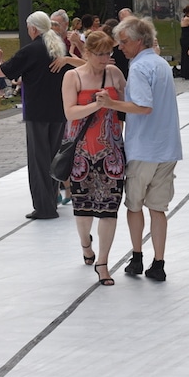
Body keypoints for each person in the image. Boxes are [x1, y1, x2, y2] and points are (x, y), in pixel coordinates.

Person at [98, 16, 182, 281]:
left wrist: (111, 104)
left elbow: (144, 107)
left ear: (137, 41)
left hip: (144, 148)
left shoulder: (138, 68)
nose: (120, 47)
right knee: (158, 208)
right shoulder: (161, 64)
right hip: (167, 147)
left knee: (134, 205)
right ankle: (158, 262)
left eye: (123, 42)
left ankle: (137, 257)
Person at [60, 31, 126, 286]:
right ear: (87, 53)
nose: (105, 58)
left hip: (112, 150)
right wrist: (97, 105)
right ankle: (86, 244)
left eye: (108, 52)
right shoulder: (72, 76)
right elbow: (70, 112)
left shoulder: (115, 74)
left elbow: (126, 103)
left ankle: (103, 263)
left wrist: (114, 104)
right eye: (99, 53)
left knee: (110, 210)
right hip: (81, 153)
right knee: (84, 209)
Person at [0, 11, 70, 219]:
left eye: (28, 28)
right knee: (53, 156)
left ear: (34, 29)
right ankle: (52, 200)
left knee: (38, 159)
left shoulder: (31, 50)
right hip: (59, 110)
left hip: (37, 111)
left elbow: (3, 72)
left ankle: (44, 207)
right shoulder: (59, 47)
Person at [179, 5, 189, 80]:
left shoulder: (183, 18)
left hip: (183, 38)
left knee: (184, 55)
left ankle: (184, 72)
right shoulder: (187, 19)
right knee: (187, 55)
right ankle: (187, 73)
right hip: (187, 38)